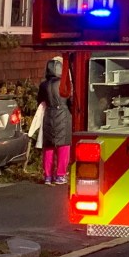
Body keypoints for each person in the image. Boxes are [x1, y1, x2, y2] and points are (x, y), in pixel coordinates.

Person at [38, 56, 73, 185]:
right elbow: (71, 101)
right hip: (63, 115)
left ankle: (47, 176)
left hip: (48, 114)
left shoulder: (43, 85)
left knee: (48, 147)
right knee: (64, 146)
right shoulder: (65, 83)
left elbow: (40, 101)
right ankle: (60, 175)